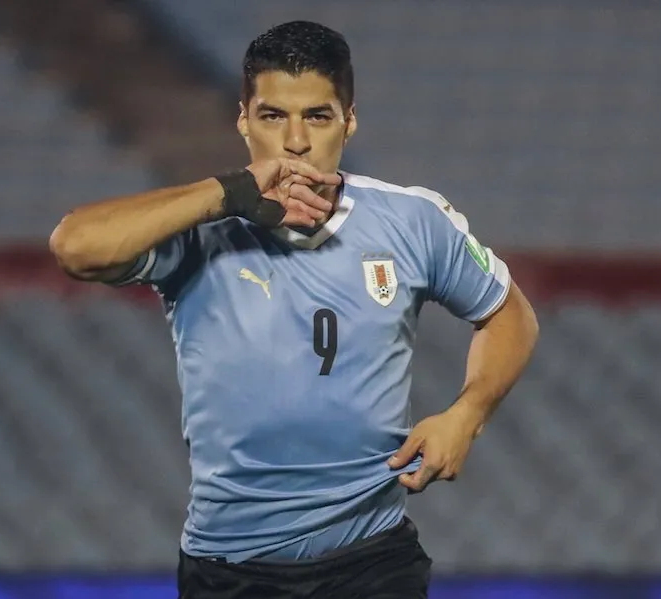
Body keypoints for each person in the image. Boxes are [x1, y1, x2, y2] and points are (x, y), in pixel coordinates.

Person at [49, 20, 538, 599]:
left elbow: (510, 314)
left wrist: (467, 415)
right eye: (273, 116)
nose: (296, 141)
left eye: (318, 116)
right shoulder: (198, 228)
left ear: (349, 121)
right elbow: (74, 246)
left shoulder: (413, 222)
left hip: (372, 560)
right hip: (230, 568)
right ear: (243, 121)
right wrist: (227, 193)